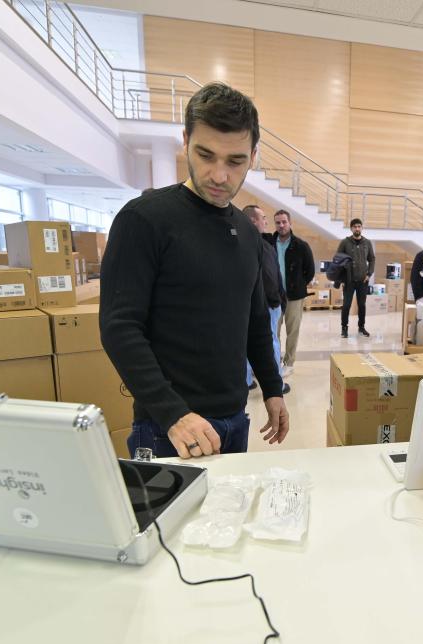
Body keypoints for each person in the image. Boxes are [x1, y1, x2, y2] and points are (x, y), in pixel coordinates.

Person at [100, 82, 289, 458]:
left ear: (253, 156)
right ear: (185, 141)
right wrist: (173, 414)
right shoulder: (145, 220)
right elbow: (119, 328)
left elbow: (254, 322)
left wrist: (271, 389)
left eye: (235, 161)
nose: (219, 175)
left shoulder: (248, 235)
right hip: (167, 427)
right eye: (205, 155)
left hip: (235, 419)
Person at [242, 204, 289, 394]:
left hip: (251, 304)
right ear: (253, 220)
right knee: (271, 342)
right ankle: (276, 383)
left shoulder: (245, 244)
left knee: (245, 341)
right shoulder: (260, 246)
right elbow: (270, 278)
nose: (266, 222)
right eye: (263, 218)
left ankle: (246, 380)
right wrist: (277, 301)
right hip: (266, 304)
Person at [263, 209, 314, 376]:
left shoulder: (301, 246)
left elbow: (310, 271)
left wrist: (298, 285)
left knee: (293, 331)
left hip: (294, 297)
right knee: (273, 331)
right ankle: (274, 361)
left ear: (290, 223)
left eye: (284, 222)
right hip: (274, 297)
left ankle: (289, 362)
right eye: (278, 222)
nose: (281, 225)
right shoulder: (268, 243)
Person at [337, 218, 376, 338]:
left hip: (362, 280)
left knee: (362, 305)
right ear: (351, 228)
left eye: (359, 226)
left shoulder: (367, 243)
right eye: (355, 226)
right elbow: (338, 260)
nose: (357, 228)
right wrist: (341, 279)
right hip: (348, 280)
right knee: (346, 305)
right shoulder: (345, 242)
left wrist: (369, 274)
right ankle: (344, 328)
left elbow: (372, 259)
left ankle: (361, 327)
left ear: (362, 228)